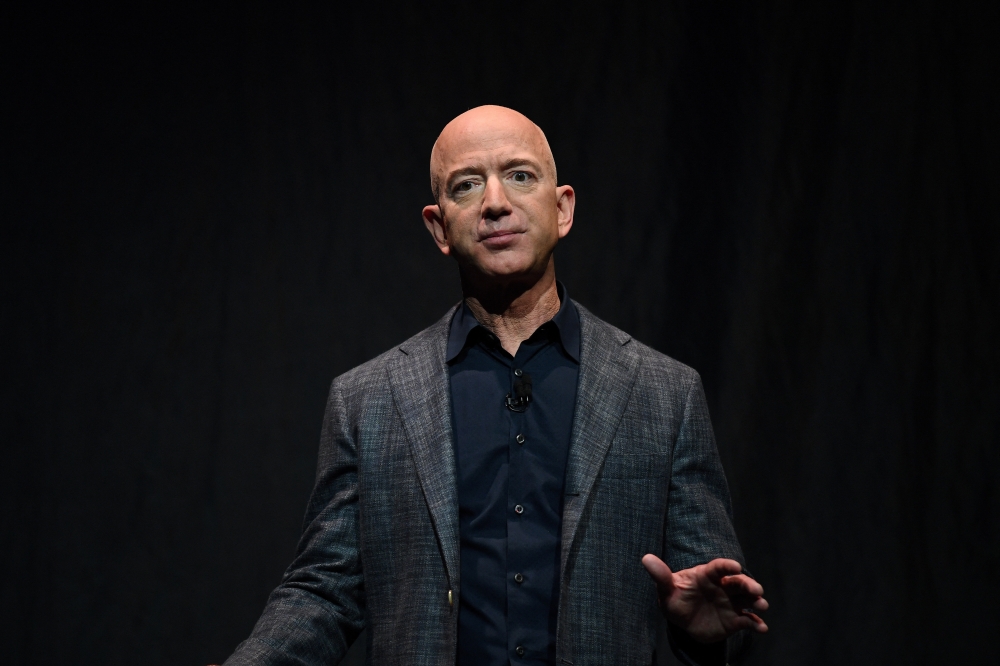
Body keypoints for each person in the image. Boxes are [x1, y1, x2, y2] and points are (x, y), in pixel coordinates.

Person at [223, 105, 767, 666]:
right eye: (467, 185)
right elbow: (324, 591)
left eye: (520, 175)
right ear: (439, 227)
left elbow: (718, 598)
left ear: (563, 209)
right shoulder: (369, 400)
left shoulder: (664, 394)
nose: (496, 203)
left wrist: (707, 631)